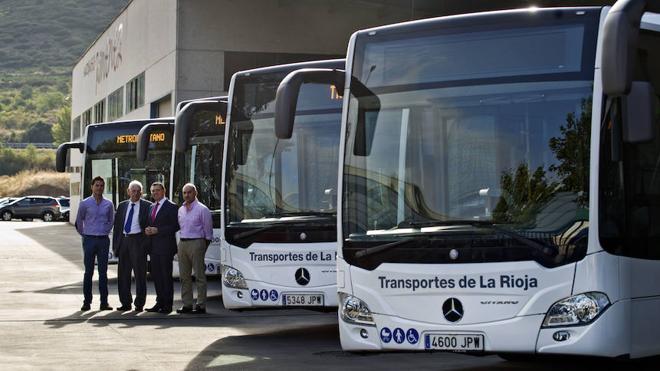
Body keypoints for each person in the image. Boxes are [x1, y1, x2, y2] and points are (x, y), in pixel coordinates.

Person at [75, 176, 115, 311]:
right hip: (89, 240)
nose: (99, 188)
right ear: (92, 187)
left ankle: (104, 302)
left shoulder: (108, 204)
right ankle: (87, 302)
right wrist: (85, 234)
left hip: (103, 240)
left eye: (101, 185)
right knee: (88, 272)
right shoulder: (85, 203)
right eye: (97, 185)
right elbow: (79, 221)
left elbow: (111, 220)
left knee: (103, 272)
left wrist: (105, 230)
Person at [113, 180, 152, 312]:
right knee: (123, 274)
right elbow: (117, 227)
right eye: (133, 191)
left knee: (140, 275)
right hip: (124, 241)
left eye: (137, 191)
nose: (135, 193)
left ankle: (139, 303)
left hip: (138, 242)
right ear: (128, 192)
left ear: (141, 193)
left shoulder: (148, 206)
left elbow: (149, 225)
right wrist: (116, 246)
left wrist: (145, 245)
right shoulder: (122, 206)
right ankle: (125, 302)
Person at [176, 183, 213, 314]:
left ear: (195, 193)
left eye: (189, 192)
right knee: (184, 276)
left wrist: (202, 246)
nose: (186, 195)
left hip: (197, 242)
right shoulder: (180, 210)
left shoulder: (202, 209)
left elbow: (208, 232)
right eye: (184, 193)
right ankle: (187, 304)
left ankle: (201, 305)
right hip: (183, 243)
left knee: (199, 276)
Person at [144, 182, 179, 314]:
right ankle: (159, 302)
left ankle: (167, 304)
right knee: (156, 276)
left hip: (165, 247)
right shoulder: (151, 206)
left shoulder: (171, 206)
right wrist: (147, 229)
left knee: (165, 276)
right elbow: (150, 223)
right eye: (152, 191)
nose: (155, 193)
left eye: (157, 190)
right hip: (153, 247)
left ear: (163, 191)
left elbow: (175, 226)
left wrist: (158, 230)